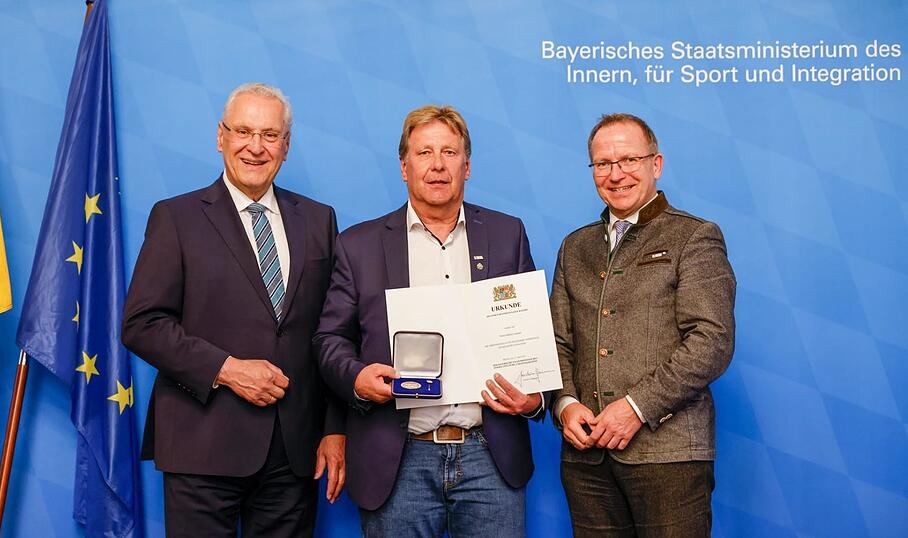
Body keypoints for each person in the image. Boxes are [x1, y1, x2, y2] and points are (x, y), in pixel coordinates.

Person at [121, 82, 345, 537]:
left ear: (286, 145)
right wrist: (225, 368)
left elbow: (332, 333)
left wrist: (334, 428)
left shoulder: (319, 219)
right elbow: (142, 324)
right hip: (202, 444)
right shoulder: (176, 217)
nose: (255, 147)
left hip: (293, 451)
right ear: (220, 136)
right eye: (244, 131)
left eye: (269, 135)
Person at [314, 105, 544, 537]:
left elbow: (530, 332)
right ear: (404, 166)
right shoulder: (358, 245)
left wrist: (535, 400)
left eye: (449, 152)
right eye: (424, 153)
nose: (437, 165)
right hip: (398, 457)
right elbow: (329, 339)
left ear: (467, 166)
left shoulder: (507, 234)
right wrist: (357, 377)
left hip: (489, 456)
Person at [551, 113, 736, 537]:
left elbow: (713, 340)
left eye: (629, 160)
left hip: (669, 456)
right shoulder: (574, 246)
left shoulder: (695, 236)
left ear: (656, 164)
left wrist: (636, 407)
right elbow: (557, 342)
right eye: (603, 164)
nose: (616, 175)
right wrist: (565, 405)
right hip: (586, 461)